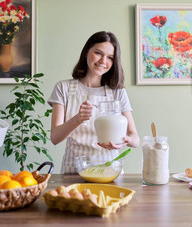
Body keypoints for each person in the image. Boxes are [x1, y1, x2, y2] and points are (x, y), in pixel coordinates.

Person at [47, 31, 140, 173]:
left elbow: (135, 139)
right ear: (86, 52)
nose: (103, 61)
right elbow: (55, 138)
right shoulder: (63, 88)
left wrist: (125, 141)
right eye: (98, 53)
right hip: (74, 169)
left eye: (110, 57)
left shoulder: (118, 92)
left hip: (110, 171)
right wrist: (78, 119)